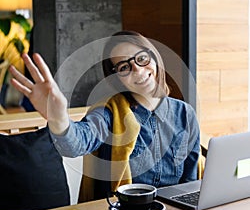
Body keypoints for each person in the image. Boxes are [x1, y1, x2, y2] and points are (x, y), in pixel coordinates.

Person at [10, 30, 200, 201]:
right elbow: (75, 144)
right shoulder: (109, 113)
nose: (138, 70)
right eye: (124, 67)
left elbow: (189, 183)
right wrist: (58, 118)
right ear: (116, 78)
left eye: (142, 58)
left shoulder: (185, 114)